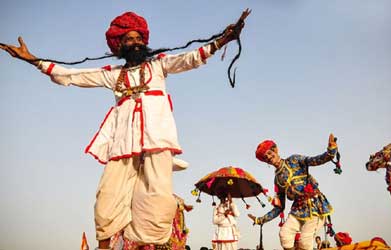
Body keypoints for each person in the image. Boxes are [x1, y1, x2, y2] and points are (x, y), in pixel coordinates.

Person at [0, 11, 249, 250]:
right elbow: (74, 75)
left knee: (157, 205)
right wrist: (33, 60)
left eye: (139, 38)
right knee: (106, 200)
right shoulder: (113, 75)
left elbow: (191, 58)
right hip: (122, 145)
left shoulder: (160, 66)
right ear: (120, 45)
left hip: (157, 140)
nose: (135, 42)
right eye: (129, 39)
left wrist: (223, 40)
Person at [248, 134, 338, 250]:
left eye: (270, 153)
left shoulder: (294, 160)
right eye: (266, 157)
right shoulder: (277, 179)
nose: (269, 157)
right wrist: (261, 220)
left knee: (304, 242)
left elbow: (315, 160)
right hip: (297, 210)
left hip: (314, 206)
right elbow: (279, 207)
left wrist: (331, 151)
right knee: (284, 235)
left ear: (276, 150)